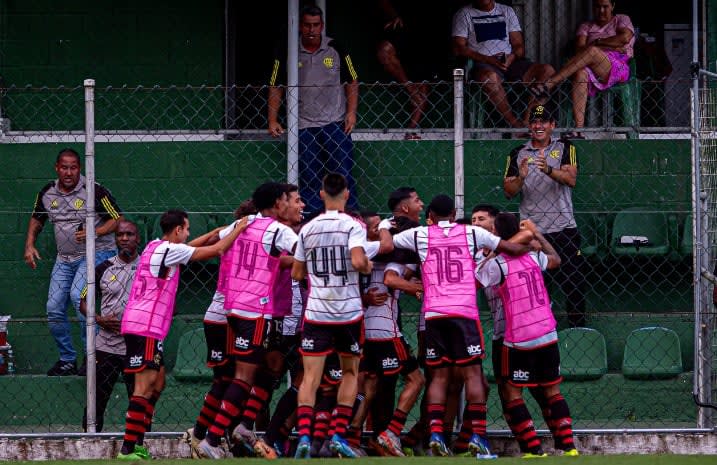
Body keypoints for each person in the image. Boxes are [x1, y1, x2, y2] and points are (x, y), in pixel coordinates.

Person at [391, 194, 532, 459]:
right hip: (464, 313)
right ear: (454, 214)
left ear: (430, 216)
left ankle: (435, 434)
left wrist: (387, 227)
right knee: (473, 375)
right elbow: (513, 249)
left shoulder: (421, 234)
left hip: (433, 314)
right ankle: (478, 436)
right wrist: (527, 236)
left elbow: (385, 244)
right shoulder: (472, 233)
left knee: (439, 376)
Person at [116, 210, 248, 460]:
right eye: (186, 229)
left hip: (144, 325)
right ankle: (128, 449)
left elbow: (191, 247)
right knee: (143, 388)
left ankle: (138, 442)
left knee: (158, 383)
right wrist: (239, 229)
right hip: (144, 325)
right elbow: (216, 251)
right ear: (177, 230)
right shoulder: (170, 251)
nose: (188, 233)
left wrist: (212, 233)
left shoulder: (157, 246)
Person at [196, 183, 299, 460]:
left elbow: (217, 242)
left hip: (233, 307)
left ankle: (233, 430)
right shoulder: (279, 230)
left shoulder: (241, 224)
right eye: (291, 200)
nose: (295, 205)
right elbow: (302, 252)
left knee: (255, 371)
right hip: (255, 309)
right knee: (243, 377)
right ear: (279, 203)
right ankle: (212, 438)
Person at [475, 213, 578, 457]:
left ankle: (532, 449)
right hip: (547, 332)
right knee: (552, 390)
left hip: (519, 338)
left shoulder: (499, 264)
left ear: (498, 236)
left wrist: (492, 251)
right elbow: (556, 259)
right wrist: (538, 234)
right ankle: (568, 447)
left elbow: (475, 279)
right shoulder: (534, 256)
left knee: (512, 391)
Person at [291, 173, 373, 458]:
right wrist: (366, 266)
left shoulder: (308, 229)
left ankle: (303, 436)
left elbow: (297, 273)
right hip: (349, 312)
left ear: (322, 194)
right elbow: (359, 261)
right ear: (347, 195)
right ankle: (338, 435)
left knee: (310, 378)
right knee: (350, 372)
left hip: (316, 312)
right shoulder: (353, 225)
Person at [24, 148, 123, 376]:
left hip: (95, 253)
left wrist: (94, 232)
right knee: (53, 308)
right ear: (57, 168)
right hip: (65, 258)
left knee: (78, 297)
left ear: (80, 168)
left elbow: (117, 219)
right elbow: (37, 219)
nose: (69, 172)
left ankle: (93, 358)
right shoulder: (47, 193)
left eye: (74, 167)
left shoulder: (94, 191)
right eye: (64, 167)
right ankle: (67, 359)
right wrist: (29, 245)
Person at [183, 199, 257, 459]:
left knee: (229, 380)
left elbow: (214, 236)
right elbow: (212, 239)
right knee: (234, 379)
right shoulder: (247, 233)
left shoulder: (234, 232)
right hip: (228, 316)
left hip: (226, 315)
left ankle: (205, 434)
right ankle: (207, 435)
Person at [268, 5, 359, 215]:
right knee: (309, 176)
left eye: (316, 25)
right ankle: (312, 220)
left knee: (344, 174)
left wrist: (351, 112)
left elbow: (352, 80)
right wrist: (272, 120)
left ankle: (351, 217)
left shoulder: (336, 48)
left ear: (322, 26)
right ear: (299, 26)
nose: (311, 30)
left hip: (335, 123)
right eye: (307, 25)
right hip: (303, 125)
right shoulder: (287, 49)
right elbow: (275, 85)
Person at [503, 104, 586, 327]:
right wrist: (521, 177)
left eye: (543, 122)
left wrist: (548, 169)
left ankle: (578, 329)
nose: (538, 126)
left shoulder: (565, 147)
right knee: (535, 284)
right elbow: (509, 192)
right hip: (531, 232)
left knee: (574, 284)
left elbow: (571, 180)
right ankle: (538, 327)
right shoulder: (517, 152)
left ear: (552, 125)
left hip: (563, 227)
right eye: (534, 122)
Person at [451, 0, 554, 129]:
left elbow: (519, 46)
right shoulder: (464, 13)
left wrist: (511, 57)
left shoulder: (506, 11)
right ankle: (515, 125)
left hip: (509, 62)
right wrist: (489, 59)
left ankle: (528, 120)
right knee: (490, 78)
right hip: (483, 63)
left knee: (547, 71)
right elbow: (459, 48)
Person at [541, 0, 635, 138]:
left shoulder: (621, 19)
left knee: (591, 51)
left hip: (617, 66)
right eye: (597, 7)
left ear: (613, 6)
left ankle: (551, 83)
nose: (601, 10)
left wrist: (597, 43)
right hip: (591, 66)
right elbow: (580, 50)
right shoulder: (586, 26)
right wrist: (611, 45)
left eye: (605, 7)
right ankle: (578, 129)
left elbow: (625, 38)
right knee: (579, 73)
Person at [79, 220, 140, 433]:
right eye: (120, 235)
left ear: (138, 239)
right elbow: (83, 302)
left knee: (140, 402)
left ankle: (143, 443)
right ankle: (89, 443)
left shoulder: (147, 269)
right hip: (106, 346)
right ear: (115, 239)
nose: (124, 238)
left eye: (129, 234)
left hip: (137, 346)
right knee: (96, 402)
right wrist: (98, 318)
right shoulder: (102, 268)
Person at [376, 0, 440, 140]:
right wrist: (393, 15)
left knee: (422, 84)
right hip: (402, 25)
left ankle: (411, 130)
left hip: (427, 30)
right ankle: (411, 90)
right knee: (384, 52)